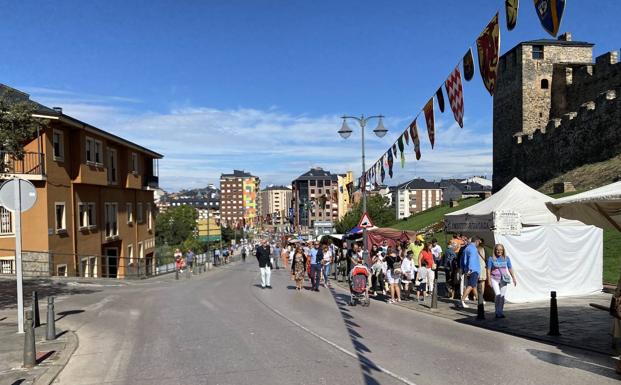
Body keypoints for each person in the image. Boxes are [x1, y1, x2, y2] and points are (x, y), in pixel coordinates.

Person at [486, 243, 517, 318]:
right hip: (494, 278)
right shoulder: (491, 258)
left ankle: (500, 311)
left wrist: (513, 278)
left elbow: (510, 268)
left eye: (500, 250)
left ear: (503, 250)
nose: (499, 251)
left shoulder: (506, 258)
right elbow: (488, 270)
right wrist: (489, 280)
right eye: (497, 250)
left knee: (502, 296)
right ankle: (497, 311)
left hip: (504, 279)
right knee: (498, 295)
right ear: (495, 250)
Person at [459, 236, 482, 308]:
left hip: (467, 269)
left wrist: (464, 269)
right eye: (479, 242)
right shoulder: (474, 249)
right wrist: (471, 269)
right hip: (473, 269)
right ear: (477, 241)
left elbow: (462, 260)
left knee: (473, 285)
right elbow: (472, 259)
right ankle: (462, 301)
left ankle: (479, 300)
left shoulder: (466, 248)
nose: (479, 244)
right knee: (471, 286)